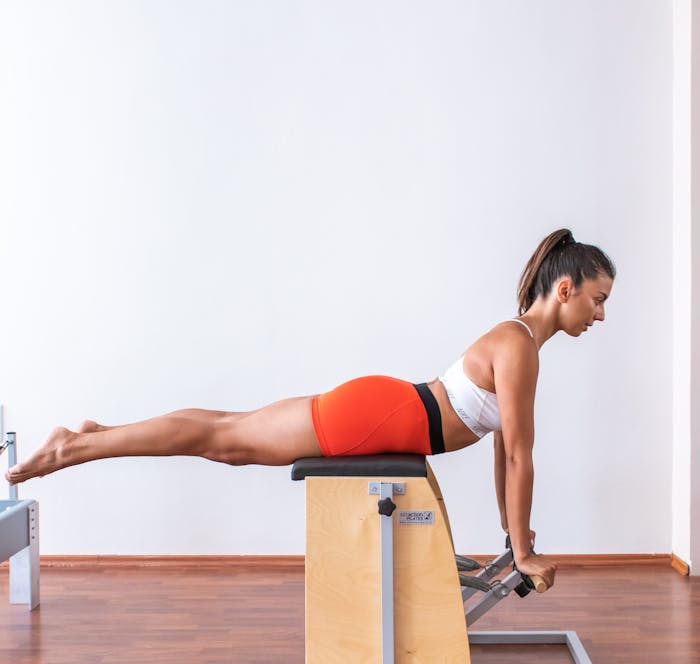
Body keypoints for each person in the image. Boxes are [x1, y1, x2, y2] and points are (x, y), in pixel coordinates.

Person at [5, 228, 614, 589]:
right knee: (224, 439)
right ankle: (75, 446)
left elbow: (506, 447)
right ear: (565, 289)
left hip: (384, 409)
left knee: (227, 434)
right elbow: (522, 459)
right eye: (597, 299)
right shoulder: (518, 347)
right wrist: (525, 551)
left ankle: (94, 435)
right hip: (376, 415)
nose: (600, 315)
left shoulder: (519, 343)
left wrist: (513, 532)